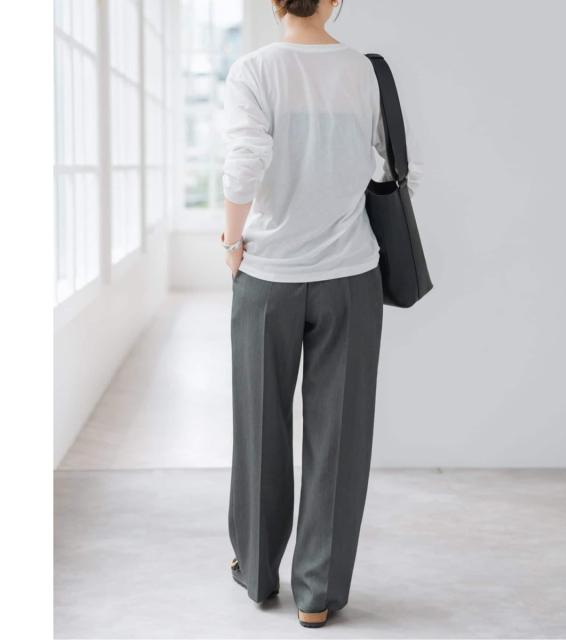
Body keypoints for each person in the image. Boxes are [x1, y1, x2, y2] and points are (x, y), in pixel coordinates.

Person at [221, 0, 422, 628]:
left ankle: (258, 573)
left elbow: (244, 161)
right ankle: (318, 592)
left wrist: (232, 241)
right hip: (350, 275)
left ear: (275, 2)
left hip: (268, 276)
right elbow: (392, 166)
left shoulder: (255, 69)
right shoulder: (365, 70)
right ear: (334, 0)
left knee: (259, 425)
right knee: (340, 435)